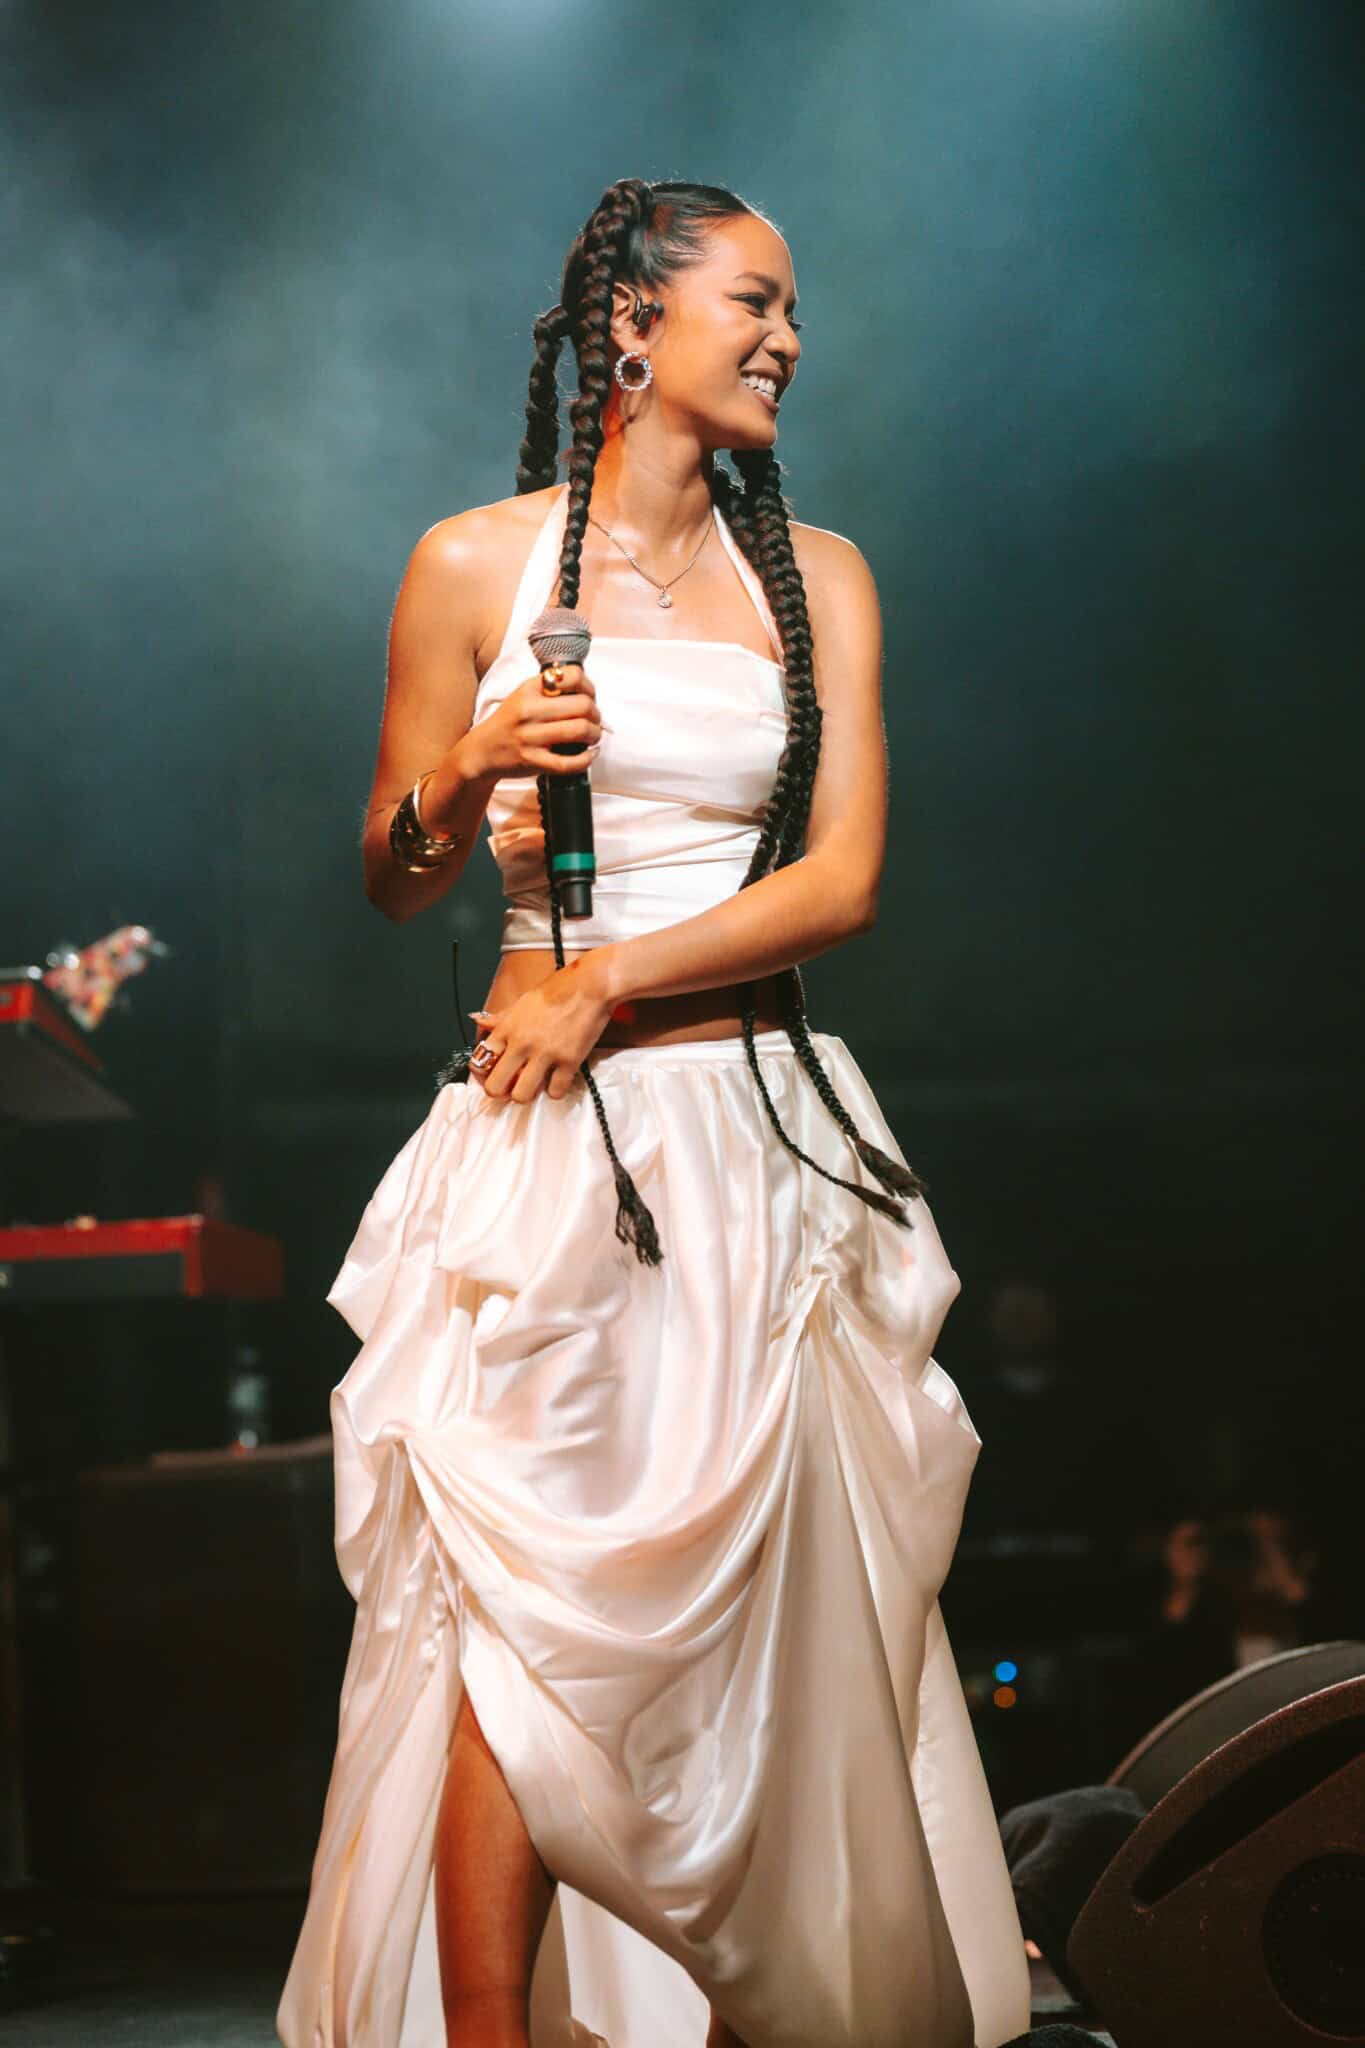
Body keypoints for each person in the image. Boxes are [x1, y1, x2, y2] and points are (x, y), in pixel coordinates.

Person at [277, 178, 1031, 2048]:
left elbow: (843, 875)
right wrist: (462, 770)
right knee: (515, 1607)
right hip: (546, 1155)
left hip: (745, 1128)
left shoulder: (823, 573)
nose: (786, 337)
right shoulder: (472, 565)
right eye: (753, 301)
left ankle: (764, 2001)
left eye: (793, 311)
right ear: (633, 323)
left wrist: (610, 973)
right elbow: (388, 872)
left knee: (759, 1605)